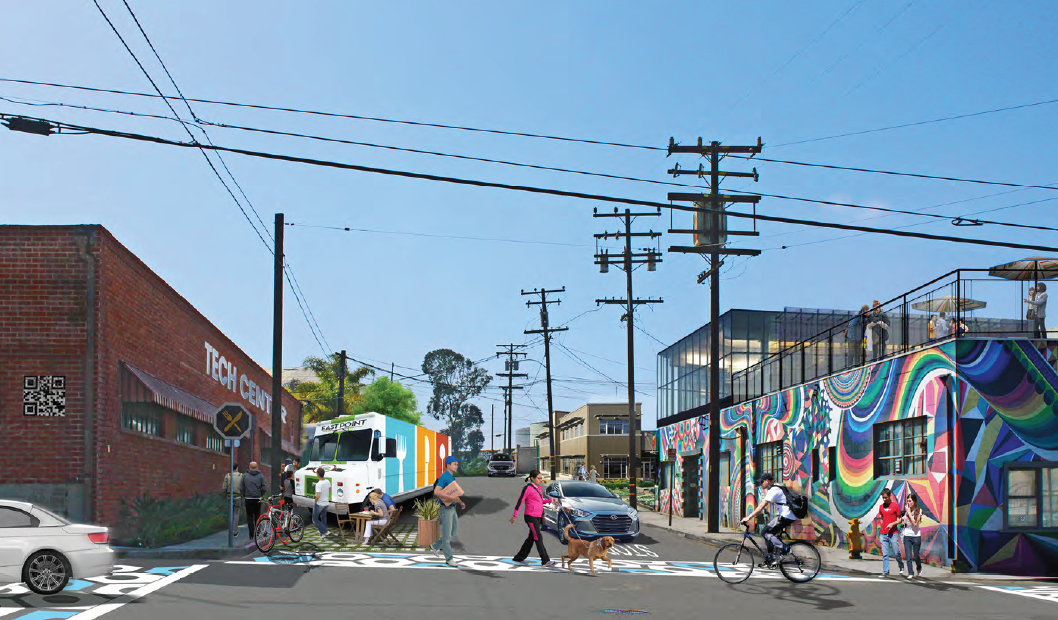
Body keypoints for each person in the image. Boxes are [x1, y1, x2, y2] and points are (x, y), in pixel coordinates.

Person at [739, 473, 794, 565]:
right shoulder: (776, 488)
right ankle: (770, 558)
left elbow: (761, 506)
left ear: (767, 481)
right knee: (768, 533)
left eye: (762, 482)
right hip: (786, 515)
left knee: (765, 532)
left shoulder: (774, 490)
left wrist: (748, 517)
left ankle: (785, 548)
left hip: (786, 516)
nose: (761, 484)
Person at [510, 470, 556, 567]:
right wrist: (515, 515)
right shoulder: (527, 488)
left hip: (538, 516)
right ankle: (545, 560)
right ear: (532, 478)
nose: (541, 480)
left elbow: (539, 501)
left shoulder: (538, 488)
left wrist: (551, 500)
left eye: (541, 478)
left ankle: (519, 557)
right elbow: (520, 500)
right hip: (530, 516)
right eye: (539, 478)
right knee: (538, 537)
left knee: (531, 538)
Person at [430, 456, 466, 568]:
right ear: (448, 465)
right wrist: (451, 499)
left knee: (453, 531)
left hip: (452, 507)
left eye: (456, 464)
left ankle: (435, 545)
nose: (457, 465)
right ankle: (449, 559)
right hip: (445, 509)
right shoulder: (444, 477)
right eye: (454, 464)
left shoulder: (451, 477)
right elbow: (437, 492)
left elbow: (453, 493)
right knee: (447, 536)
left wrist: (460, 502)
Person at [875, 487, 905, 578]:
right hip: (883, 534)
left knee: (896, 552)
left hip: (893, 533)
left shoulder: (895, 506)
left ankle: (901, 565)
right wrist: (883, 527)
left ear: (889, 496)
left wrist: (892, 524)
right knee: (885, 554)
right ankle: (885, 572)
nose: (884, 499)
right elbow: (882, 519)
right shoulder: (881, 507)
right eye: (883, 498)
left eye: (885, 497)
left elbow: (900, 520)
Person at [239, 461, 267, 534]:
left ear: (249, 467)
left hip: (248, 499)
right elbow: (264, 488)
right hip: (257, 499)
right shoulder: (261, 476)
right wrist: (260, 494)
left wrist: (244, 494)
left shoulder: (244, 475)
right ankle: (258, 531)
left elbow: (241, 487)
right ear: (257, 467)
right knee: (257, 515)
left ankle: (251, 533)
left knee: (249, 516)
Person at [901, 493, 923, 580]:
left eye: (910, 501)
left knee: (916, 555)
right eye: (907, 501)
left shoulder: (919, 510)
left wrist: (909, 513)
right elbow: (903, 521)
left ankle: (919, 567)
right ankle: (910, 572)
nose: (908, 503)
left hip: (916, 536)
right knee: (908, 556)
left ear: (914, 501)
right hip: (907, 536)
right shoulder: (906, 511)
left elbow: (914, 523)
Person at [222, 463, 244, 537]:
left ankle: (230, 529)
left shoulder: (227, 476)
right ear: (237, 468)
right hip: (238, 497)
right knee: (236, 514)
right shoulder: (241, 476)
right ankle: (235, 530)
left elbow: (224, 488)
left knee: (230, 513)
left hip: (229, 497)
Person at [312, 467, 331, 536]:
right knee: (323, 517)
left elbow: (318, 496)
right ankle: (323, 531)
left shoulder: (318, 484)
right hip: (326, 503)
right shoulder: (328, 481)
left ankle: (325, 531)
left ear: (317, 474)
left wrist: (315, 501)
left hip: (320, 503)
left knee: (315, 519)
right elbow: (329, 490)